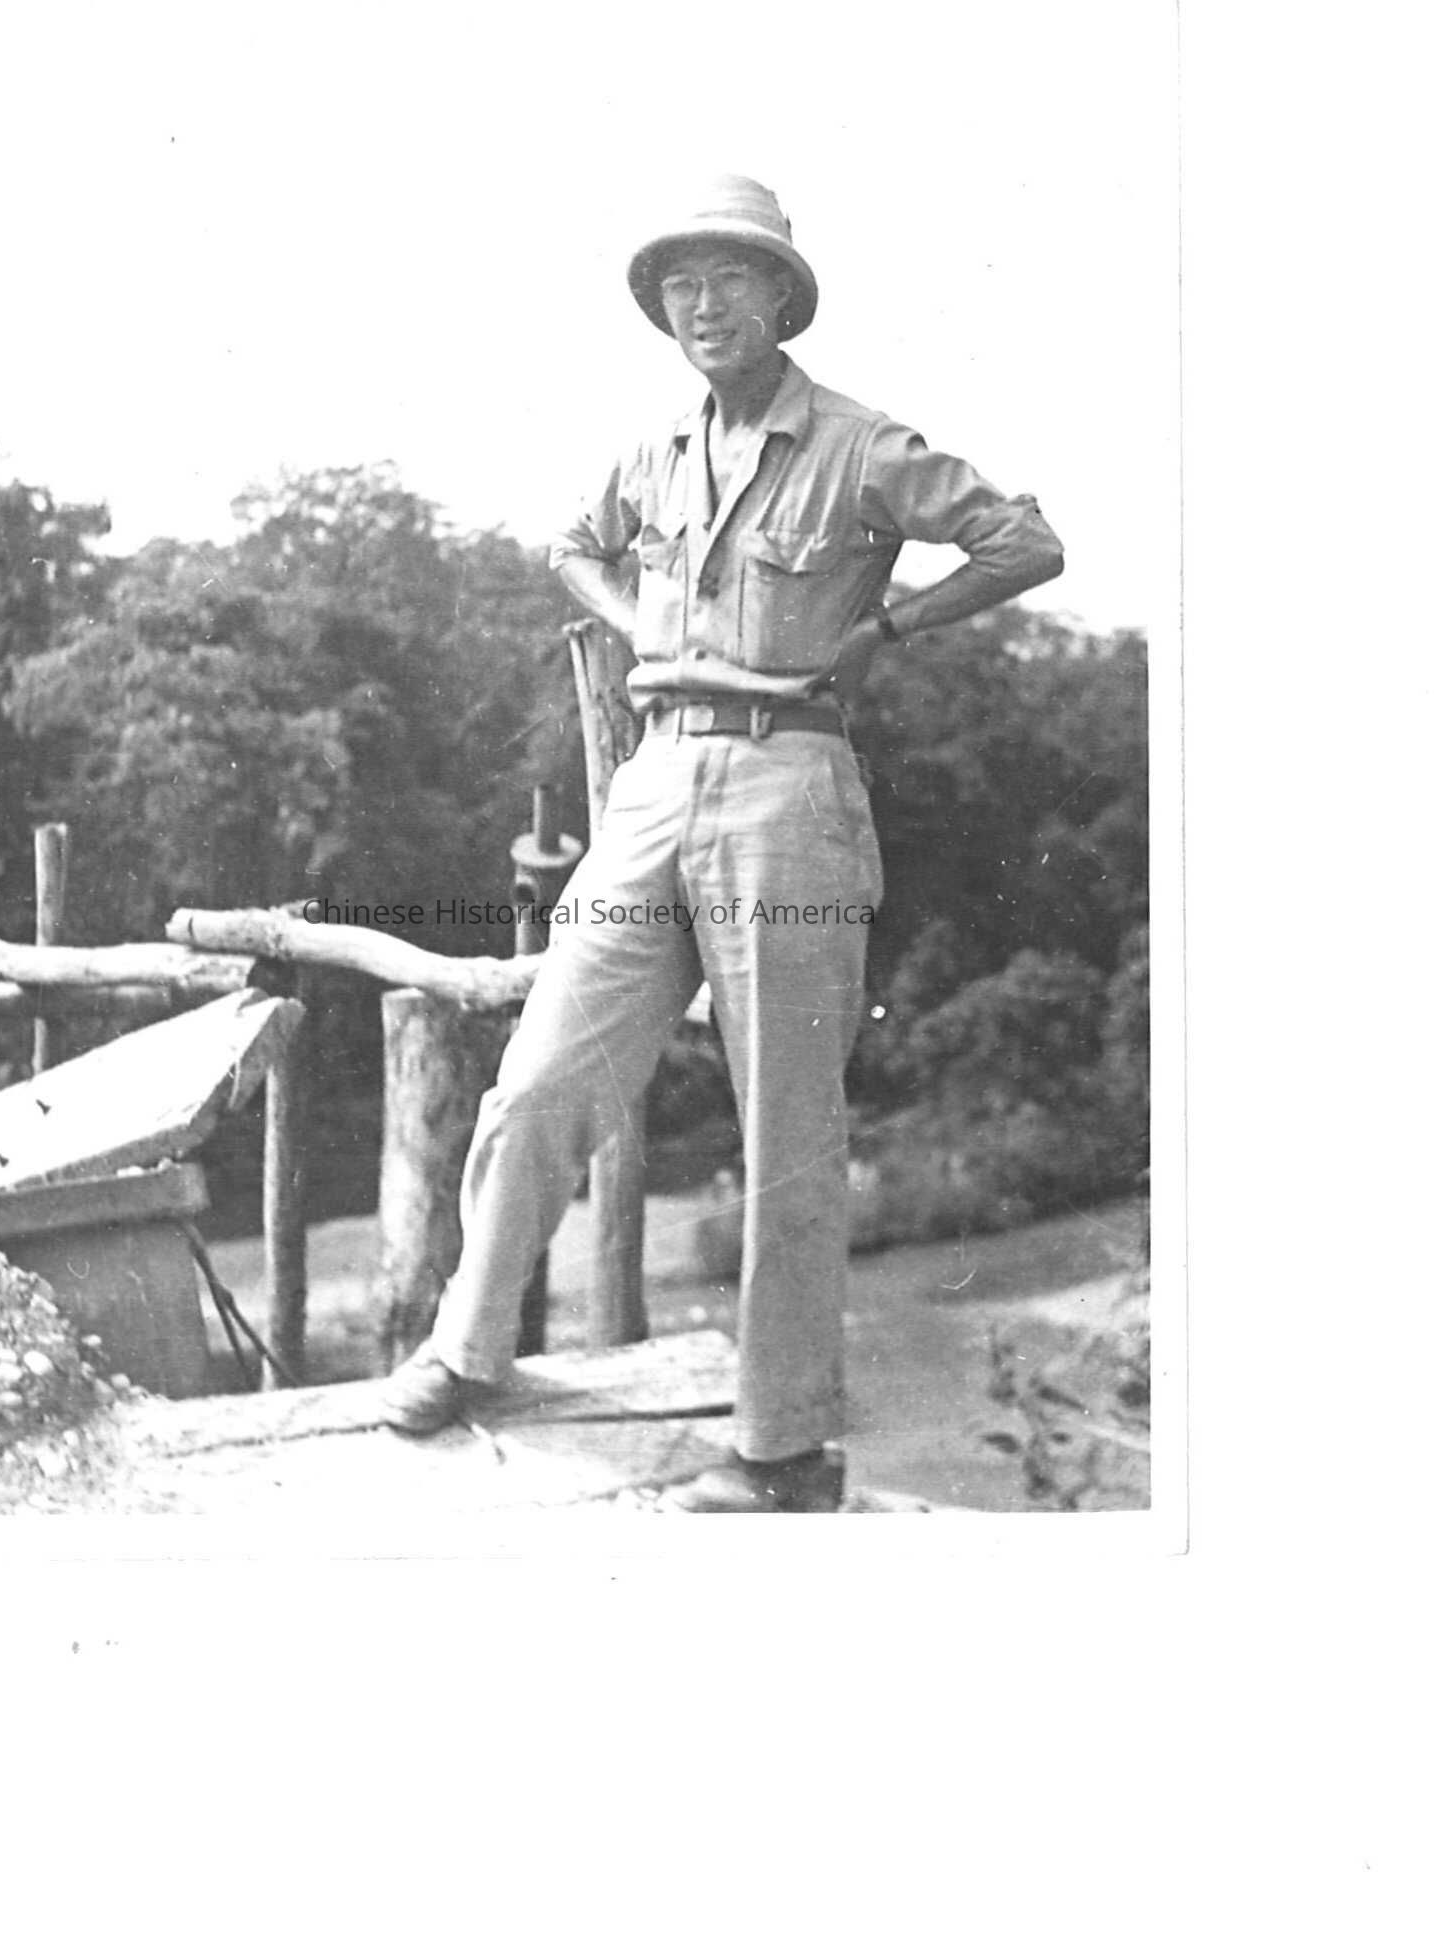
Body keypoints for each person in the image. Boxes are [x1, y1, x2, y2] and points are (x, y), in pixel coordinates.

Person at [380, 175, 1064, 1511]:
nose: (703, 304)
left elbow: (1023, 540)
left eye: (730, 278)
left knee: (787, 1130)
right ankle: (467, 1348)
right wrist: (636, 619)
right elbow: (572, 546)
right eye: (681, 284)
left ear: (781, 298)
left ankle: (781, 1448)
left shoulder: (860, 445)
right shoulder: (652, 453)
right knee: (536, 1081)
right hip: (651, 783)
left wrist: (891, 627)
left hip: (787, 789)